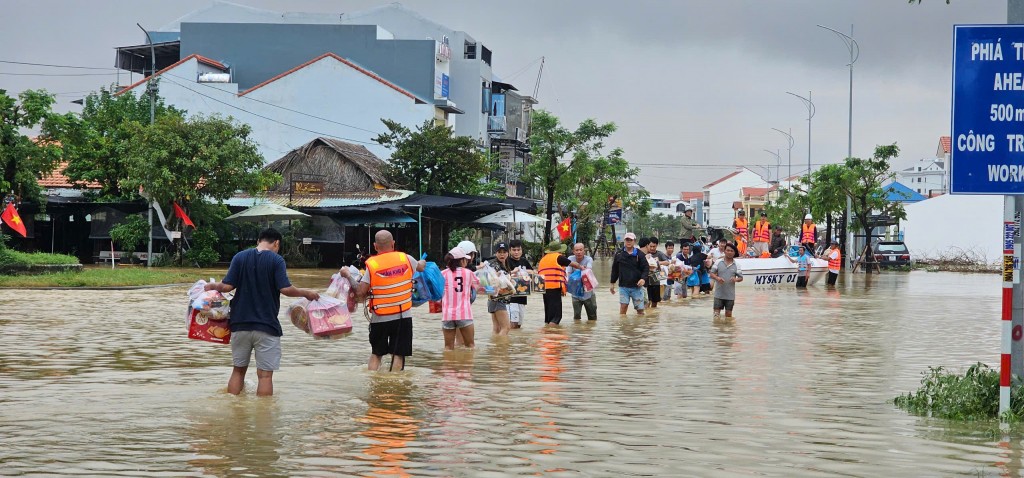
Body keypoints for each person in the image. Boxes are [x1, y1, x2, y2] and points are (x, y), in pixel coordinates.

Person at [204, 228, 320, 396]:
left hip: (239, 325)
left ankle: (232, 411)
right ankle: (264, 418)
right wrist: (306, 292)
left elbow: (227, 286)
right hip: (266, 326)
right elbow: (285, 289)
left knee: (238, 371)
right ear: (276, 243)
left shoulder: (240, 257)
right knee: (265, 376)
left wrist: (212, 286)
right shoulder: (277, 260)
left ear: (259, 241)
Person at [342, 230, 426, 372]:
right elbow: (421, 267)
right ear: (393, 243)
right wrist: (422, 261)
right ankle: (395, 384)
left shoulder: (373, 265)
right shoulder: (406, 259)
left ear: (375, 246)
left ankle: (373, 383)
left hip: (380, 317)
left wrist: (348, 275)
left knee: (377, 353)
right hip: (402, 315)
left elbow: (360, 292)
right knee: (398, 354)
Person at [441, 246, 479, 350]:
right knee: (470, 346)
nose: (466, 261)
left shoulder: (442, 274)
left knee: (448, 348)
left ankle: (449, 365)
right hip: (464, 314)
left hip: (447, 315)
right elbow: (479, 287)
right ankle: (465, 365)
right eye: (465, 259)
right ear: (461, 260)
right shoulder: (468, 273)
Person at [610, 232, 648, 316]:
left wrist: (643, 279)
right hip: (623, 286)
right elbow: (615, 269)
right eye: (627, 240)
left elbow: (646, 268)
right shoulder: (619, 254)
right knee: (623, 307)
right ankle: (623, 325)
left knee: (640, 310)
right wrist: (612, 283)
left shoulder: (640, 254)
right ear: (624, 241)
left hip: (637, 286)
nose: (628, 242)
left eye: (631, 240)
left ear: (634, 241)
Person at [538, 240, 572, 325]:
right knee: (556, 316)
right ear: (559, 250)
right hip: (554, 287)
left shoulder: (543, 259)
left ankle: (547, 332)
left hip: (544, 288)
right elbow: (571, 263)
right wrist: (581, 267)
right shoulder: (558, 257)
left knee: (549, 314)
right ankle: (552, 332)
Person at [709, 242, 743, 321]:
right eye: (728, 250)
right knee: (716, 316)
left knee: (728, 316)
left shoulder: (737, 265)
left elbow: (741, 278)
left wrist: (736, 279)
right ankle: (717, 331)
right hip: (718, 294)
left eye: (731, 251)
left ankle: (727, 332)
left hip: (730, 296)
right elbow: (711, 274)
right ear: (724, 251)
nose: (729, 252)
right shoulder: (718, 262)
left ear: (734, 253)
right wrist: (717, 278)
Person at [485, 242, 513, 335]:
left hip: (492, 298)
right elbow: (493, 282)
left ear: (508, 253)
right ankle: (501, 348)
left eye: (504, 252)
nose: (502, 254)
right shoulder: (494, 266)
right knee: (506, 328)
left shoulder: (504, 264)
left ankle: (495, 347)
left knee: (497, 328)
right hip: (498, 298)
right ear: (495, 253)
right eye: (499, 252)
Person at [506, 239, 534, 328]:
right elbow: (503, 276)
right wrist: (513, 272)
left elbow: (533, 274)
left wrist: (529, 272)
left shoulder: (524, 261)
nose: (516, 252)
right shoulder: (507, 261)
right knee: (512, 324)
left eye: (518, 250)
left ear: (522, 250)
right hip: (511, 298)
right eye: (514, 250)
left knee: (518, 325)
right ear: (510, 251)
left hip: (522, 297)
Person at [567, 243, 597, 321]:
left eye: (581, 250)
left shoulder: (589, 259)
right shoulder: (570, 259)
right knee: (576, 318)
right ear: (573, 251)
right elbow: (568, 274)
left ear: (584, 251)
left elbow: (588, 270)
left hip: (588, 294)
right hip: (575, 294)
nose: (579, 252)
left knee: (592, 318)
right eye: (577, 250)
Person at [644, 236, 671, 308]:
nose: (652, 248)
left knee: (655, 302)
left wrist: (657, 262)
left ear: (657, 245)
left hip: (656, 281)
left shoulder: (659, 254)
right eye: (651, 246)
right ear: (647, 245)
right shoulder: (644, 254)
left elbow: (667, 262)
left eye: (654, 246)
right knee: (647, 302)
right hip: (646, 281)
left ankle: (653, 317)